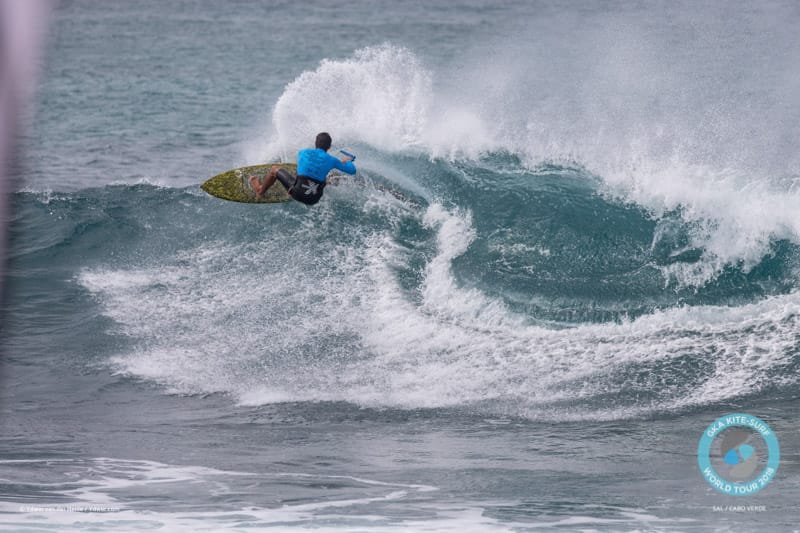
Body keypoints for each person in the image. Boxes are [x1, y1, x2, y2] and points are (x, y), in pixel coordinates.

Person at [249, 132, 356, 205]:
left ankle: (260, 191)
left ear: (315, 143)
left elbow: (303, 168)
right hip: (314, 199)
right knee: (329, 177)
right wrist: (347, 161)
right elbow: (352, 171)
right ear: (329, 147)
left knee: (275, 169)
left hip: (297, 193)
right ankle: (301, 187)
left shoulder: (303, 152)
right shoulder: (332, 160)